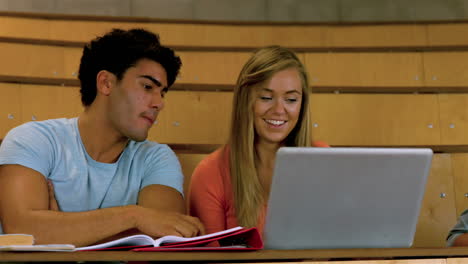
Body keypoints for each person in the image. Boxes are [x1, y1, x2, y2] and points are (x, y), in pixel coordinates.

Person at [0, 28, 204, 247]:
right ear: (106, 83)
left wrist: (61, 231)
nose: (159, 103)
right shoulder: (33, 139)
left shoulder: (157, 158)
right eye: (147, 87)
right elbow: (23, 231)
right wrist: (136, 217)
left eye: (162, 93)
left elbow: (167, 237)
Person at [188, 45, 328, 235]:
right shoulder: (210, 173)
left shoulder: (322, 157)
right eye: (266, 97)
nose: (279, 110)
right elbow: (211, 260)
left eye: (291, 100)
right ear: (245, 101)